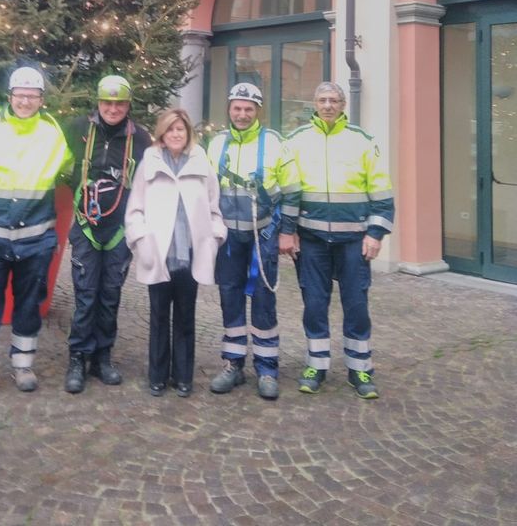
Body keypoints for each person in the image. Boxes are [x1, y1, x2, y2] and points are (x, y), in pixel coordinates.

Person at [0, 66, 73, 400]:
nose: (25, 102)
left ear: (41, 100)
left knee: (29, 304)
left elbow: (72, 165)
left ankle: (23, 365)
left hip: (36, 238)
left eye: (32, 96)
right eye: (20, 95)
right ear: (10, 97)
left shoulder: (52, 132)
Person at [280, 82, 395, 399]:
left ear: (343, 105)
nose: (328, 105)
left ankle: (360, 369)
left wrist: (375, 234)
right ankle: (315, 366)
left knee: (356, 304)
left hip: (354, 240)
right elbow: (289, 191)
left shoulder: (362, 141)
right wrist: (289, 230)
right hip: (312, 239)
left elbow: (382, 192)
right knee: (314, 305)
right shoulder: (297, 140)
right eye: (323, 100)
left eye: (334, 100)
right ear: (314, 104)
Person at [125, 109, 227, 397]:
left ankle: (183, 377)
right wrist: (142, 242)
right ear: (162, 133)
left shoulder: (201, 162)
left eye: (180, 129)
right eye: (170, 129)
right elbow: (135, 209)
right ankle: (157, 376)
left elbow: (214, 207)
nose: (175, 134)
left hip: (190, 254)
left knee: (185, 317)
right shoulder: (149, 163)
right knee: (158, 317)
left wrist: (214, 238)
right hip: (158, 254)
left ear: (188, 132)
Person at [206, 82, 296, 400]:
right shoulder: (216, 143)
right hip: (228, 239)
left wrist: (287, 231)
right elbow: (206, 190)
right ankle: (233, 364)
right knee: (229, 297)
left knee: (263, 300)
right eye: (237, 108)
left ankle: (267, 369)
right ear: (229, 109)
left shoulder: (275, 143)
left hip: (263, 236)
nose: (242, 114)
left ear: (258, 111)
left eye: (248, 109)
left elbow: (292, 190)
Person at [63, 74, 152, 394]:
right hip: (86, 227)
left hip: (119, 231)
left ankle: (102, 356)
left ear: (128, 105)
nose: (113, 109)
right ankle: (78, 357)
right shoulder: (76, 129)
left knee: (110, 294)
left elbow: (151, 180)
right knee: (86, 294)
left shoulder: (140, 138)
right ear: (98, 103)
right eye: (107, 103)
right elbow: (53, 164)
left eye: (119, 104)